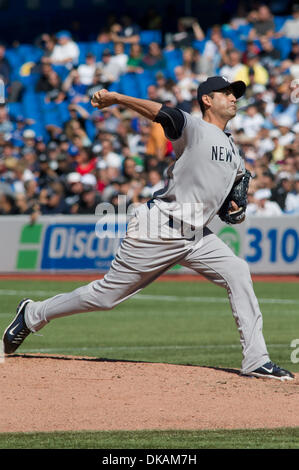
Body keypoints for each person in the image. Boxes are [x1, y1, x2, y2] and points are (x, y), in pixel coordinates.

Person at [2, 76, 294, 381]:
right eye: (226, 93)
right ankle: (33, 313)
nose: (233, 97)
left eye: (235, 93)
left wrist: (234, 205)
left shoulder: (234, 149)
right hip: (159, 227)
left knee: (237, 271)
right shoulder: (195, 128)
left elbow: (231, 191)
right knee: (105, 297)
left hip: (195, 235)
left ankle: (256, 360)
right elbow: (163, 113)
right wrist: (117, 98)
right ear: (207, 100)